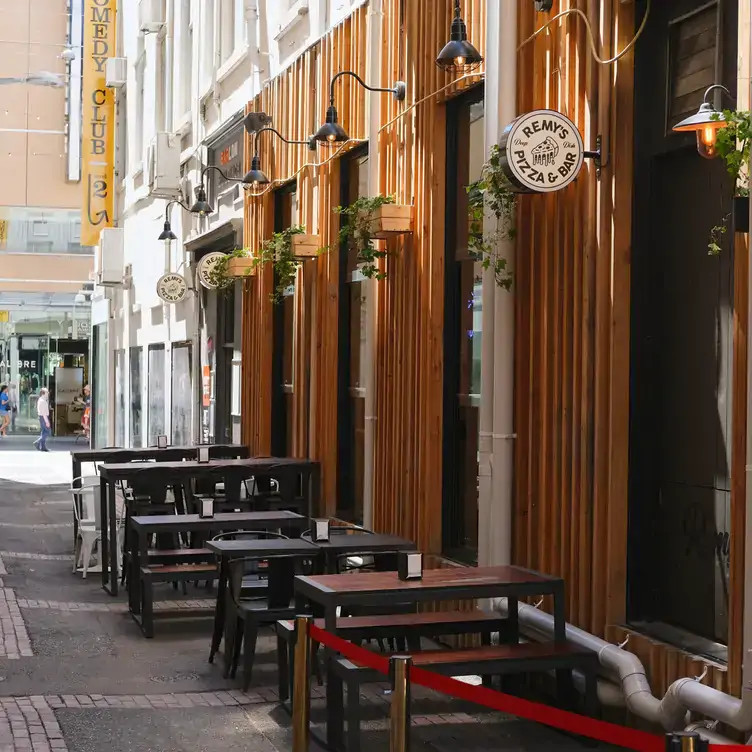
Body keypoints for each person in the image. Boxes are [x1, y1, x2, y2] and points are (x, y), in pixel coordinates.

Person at [34, 387, 50, 452]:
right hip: (44, 417)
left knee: (43, 432)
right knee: (47, 432)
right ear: (43, 393)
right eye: (47, 392)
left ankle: (43, 447)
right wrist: (47, 421)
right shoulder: (42, 401)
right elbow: (43, 413)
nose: (48, 393)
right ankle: (38, 442)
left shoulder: (41, 400)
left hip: (42, 417)